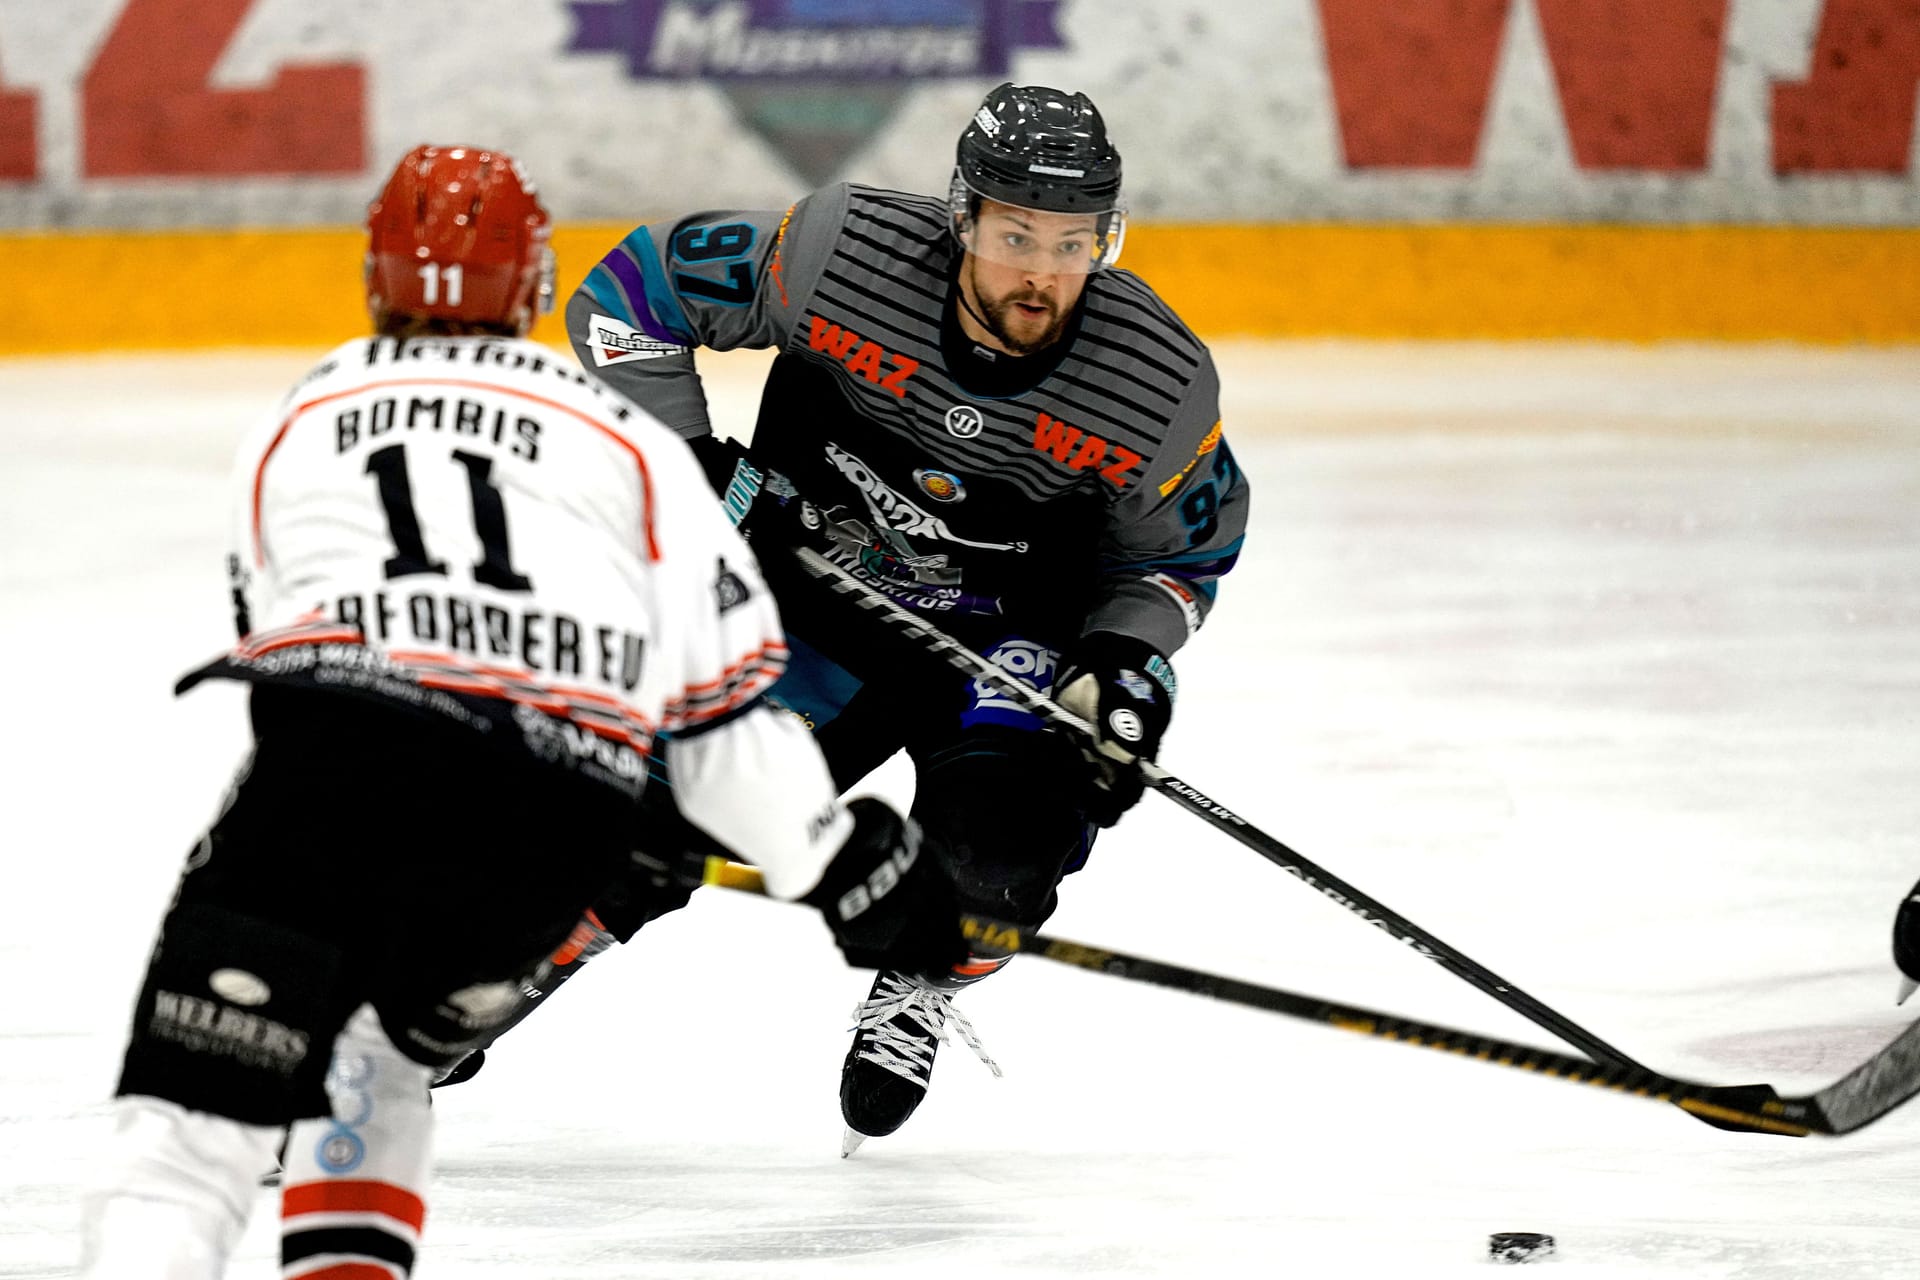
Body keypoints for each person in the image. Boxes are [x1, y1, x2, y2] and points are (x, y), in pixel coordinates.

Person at [77, 143, 961, 1280]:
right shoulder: (635, 448)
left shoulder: (306, 414)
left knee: (186, 1134)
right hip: (550, 837)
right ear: (537, 283)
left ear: (375, 275)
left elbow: (279, 637)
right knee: (380, 1074)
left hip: (338, 787)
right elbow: (721, 717)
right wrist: (837, 863)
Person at [562, 83, 1250, 1153]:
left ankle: (925, 970)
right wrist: (696, 471)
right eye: (1018, 234)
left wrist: (1122, 664)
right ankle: (477, 985)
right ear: (963, 217)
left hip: (1006, 650)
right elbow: (625, 297)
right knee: (637, 819)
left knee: (1000, 866)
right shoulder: (840, 253)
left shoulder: (1155, 382)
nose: (1042, 273)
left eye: (1073, 244)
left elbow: (1182, 559)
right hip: (811, 607)